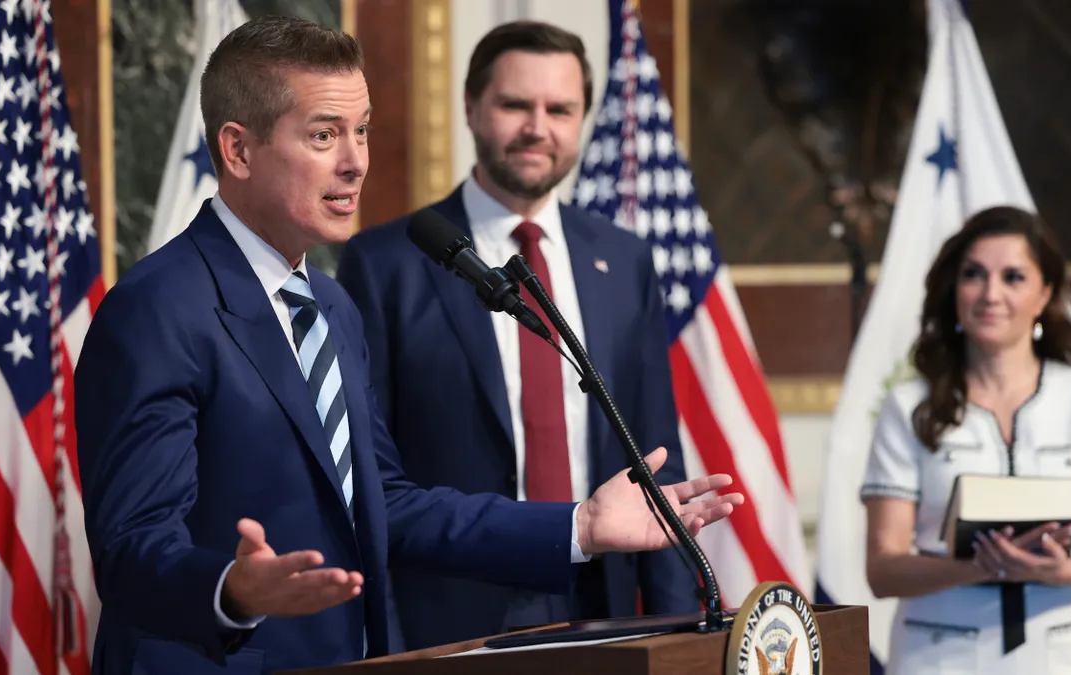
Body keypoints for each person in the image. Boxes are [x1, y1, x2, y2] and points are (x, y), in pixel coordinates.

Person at [74, 16, 741, 675]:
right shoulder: (156, 309)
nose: (355, 161)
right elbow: (132, 546)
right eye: (324, 134)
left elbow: (387, 502)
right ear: (239, 151)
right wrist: (231, 587)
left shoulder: (329, 307)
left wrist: (578, 526)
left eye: (361, 131)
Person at [334, 20, 703, 650]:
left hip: (600, 602)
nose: (538, 127)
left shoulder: (623, 260)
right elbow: (369, 482)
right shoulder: (386, 262)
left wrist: (680, 632)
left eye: (561, 109)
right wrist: (386, 644)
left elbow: (654, 448)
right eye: (515, 105)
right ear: (472, 109)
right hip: (452, 613)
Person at [860, 206, 1071, 674]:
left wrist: (1058, 571)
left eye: (1013, 277)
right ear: (954, 289)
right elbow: (883, 567)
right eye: (974, 275)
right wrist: (975, 568)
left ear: (1045, 294)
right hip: (940, 656)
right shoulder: (908, 405)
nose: (991, 294)